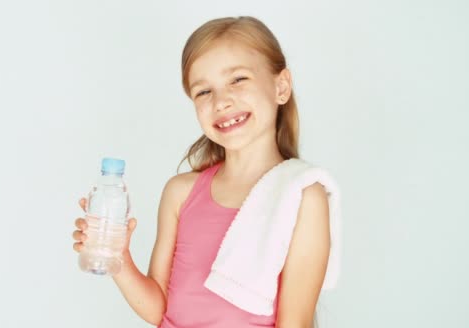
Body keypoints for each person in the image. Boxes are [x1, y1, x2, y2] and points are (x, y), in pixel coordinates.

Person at [73, 16, 332, 328]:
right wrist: (117, 256)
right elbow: (160, 308)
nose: (222, 102)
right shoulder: (180, 192)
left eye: (238, 79)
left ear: (281, 86)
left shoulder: (302, 196)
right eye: (203, 92)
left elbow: (296, 323)